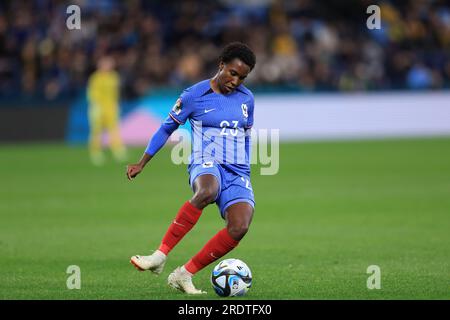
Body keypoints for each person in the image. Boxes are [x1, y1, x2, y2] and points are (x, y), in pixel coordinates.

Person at [126, 42, 256, 294]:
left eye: (242, 77)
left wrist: (246, 171)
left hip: (237, 170)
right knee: (207, 191)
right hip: (205, 160)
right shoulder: (193, 96)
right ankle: (160, 255)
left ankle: (184, 274)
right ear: (221, 65)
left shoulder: (247, 99)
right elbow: (166, 127)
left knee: (239, 227)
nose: (236, 81)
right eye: (232, 73)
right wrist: (142, 161)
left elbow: (246, 136)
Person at [87, 55, 127, 165]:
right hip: (99, 107)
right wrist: (95, 106)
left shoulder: (114, 76)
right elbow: (92, 94)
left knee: (114, 129)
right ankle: (96, 152)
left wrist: (117, 104)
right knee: (97, 130)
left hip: (111, 107)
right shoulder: (95, 78)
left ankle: (117, 151)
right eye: (105, 64)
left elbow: (116, 93)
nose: (108, 66)